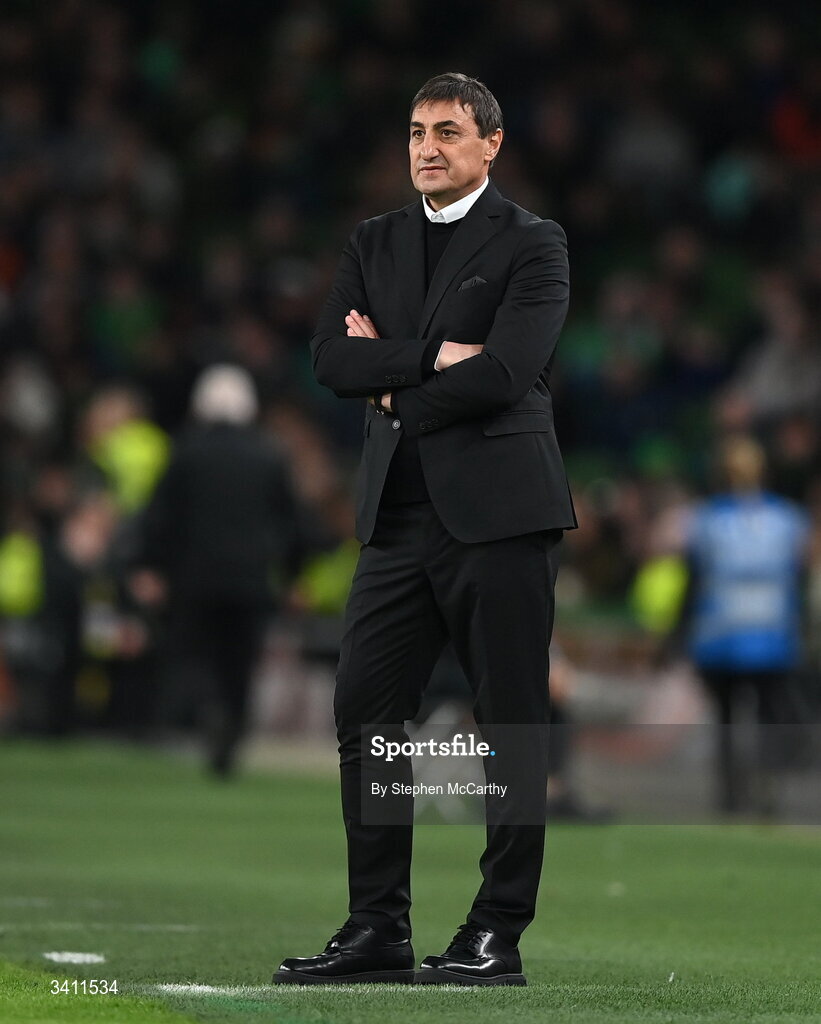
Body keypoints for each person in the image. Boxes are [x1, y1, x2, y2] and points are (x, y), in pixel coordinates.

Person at [273, 72, 575, 987]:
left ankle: (496, 934)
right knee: (365, 711)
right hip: (397, 517)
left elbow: (509, 371)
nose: (426, 147)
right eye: (414, 131)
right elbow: (330, 359)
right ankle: (378, 930)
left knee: (509, 725)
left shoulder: (534, 244)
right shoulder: (374, 239)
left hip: (501, 516)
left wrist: (392, 375)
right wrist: (430, 356)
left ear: (491, 144)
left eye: (447, 131)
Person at [131, 365, 300, 775]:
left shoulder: (186, 450)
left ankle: (205, 717)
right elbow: (292, 523)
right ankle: (231, 729)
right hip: (251, 580)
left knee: (197, 656)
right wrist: (293, 575)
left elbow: (161, 517)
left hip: (195, 579)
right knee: (239, 663)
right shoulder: (269, 455)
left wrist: (149, 565)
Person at [677, 435, 810, 815]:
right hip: (772, 633)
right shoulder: (788, 518)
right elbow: (797, 581)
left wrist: (677, 635)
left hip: (721, 633)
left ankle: (731, 795)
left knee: (726, 718)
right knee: (768, 714)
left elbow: (694, 581)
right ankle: (767, 790)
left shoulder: (707, 519)